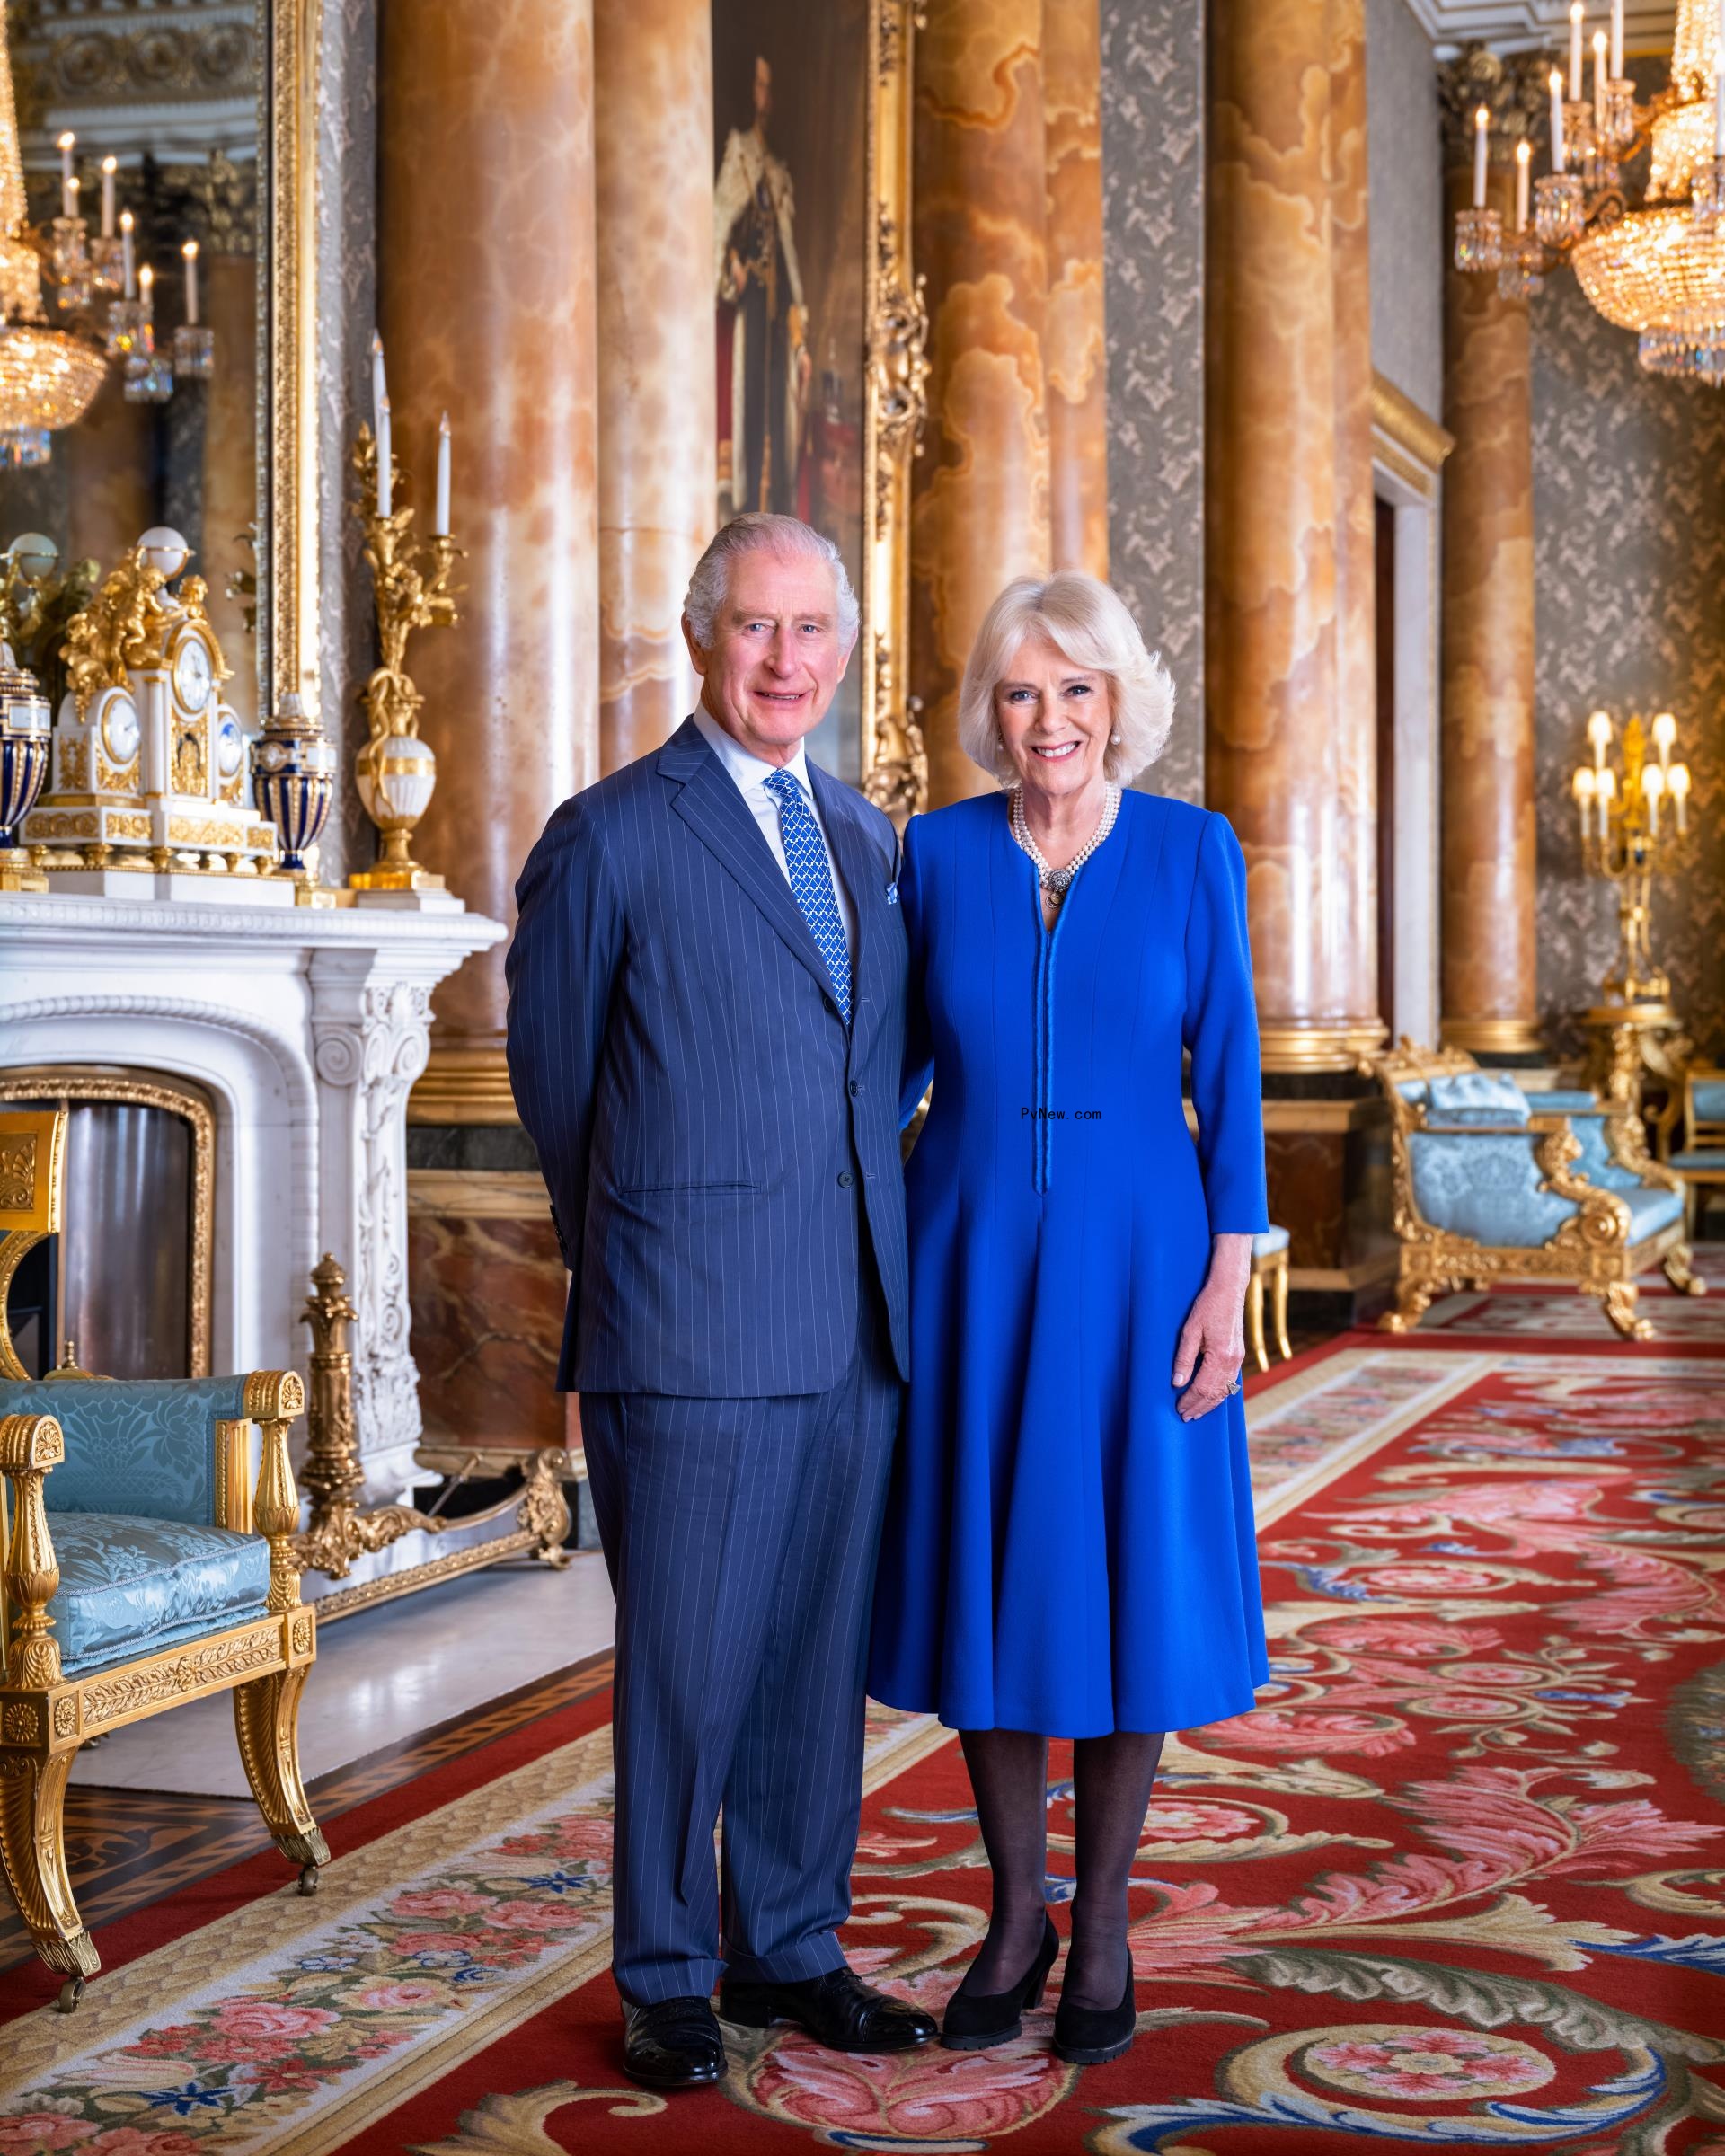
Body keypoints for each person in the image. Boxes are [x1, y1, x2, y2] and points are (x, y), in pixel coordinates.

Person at [506, 513, 934, 2090]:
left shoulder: (871, 837)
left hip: (856, 1328)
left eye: (812, 630)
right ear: (701, 638)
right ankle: (671, 1973)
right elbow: (558, 1094)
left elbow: (883, 1068)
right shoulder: (611, 833)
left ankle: (795, 1944)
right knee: (684, 1668)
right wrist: (649, 1251)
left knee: (818, 1660)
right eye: (756, 628)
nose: (785, 660)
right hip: (685, 1325)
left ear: (840, 646)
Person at [868, 572, 1269, 2069]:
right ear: (995, 710)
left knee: (1129, 1581)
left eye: (1079, 690)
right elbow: (886, 1080)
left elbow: (1227, 1078)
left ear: (1119, 704)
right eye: (1026, 693)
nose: (1053, 721)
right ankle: (1015, 1911)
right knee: (994, 1574)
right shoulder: (937, 854)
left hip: (1145, 1269)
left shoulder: (1189, 852)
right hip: (966, 1258)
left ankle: (1101, 1921)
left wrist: (1228, 1283)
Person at [714, 54, 811, 517]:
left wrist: (799, 339)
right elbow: (718, 229)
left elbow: (789, 258)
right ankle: (747, 511)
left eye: (770, 87)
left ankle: (774, 515)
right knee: (749, 413)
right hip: (748, 305)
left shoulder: (776, 169)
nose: (765, 97)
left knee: (777, 415)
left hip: (775, 314)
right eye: (758, 86)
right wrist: (729, 262)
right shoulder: (738, 155)